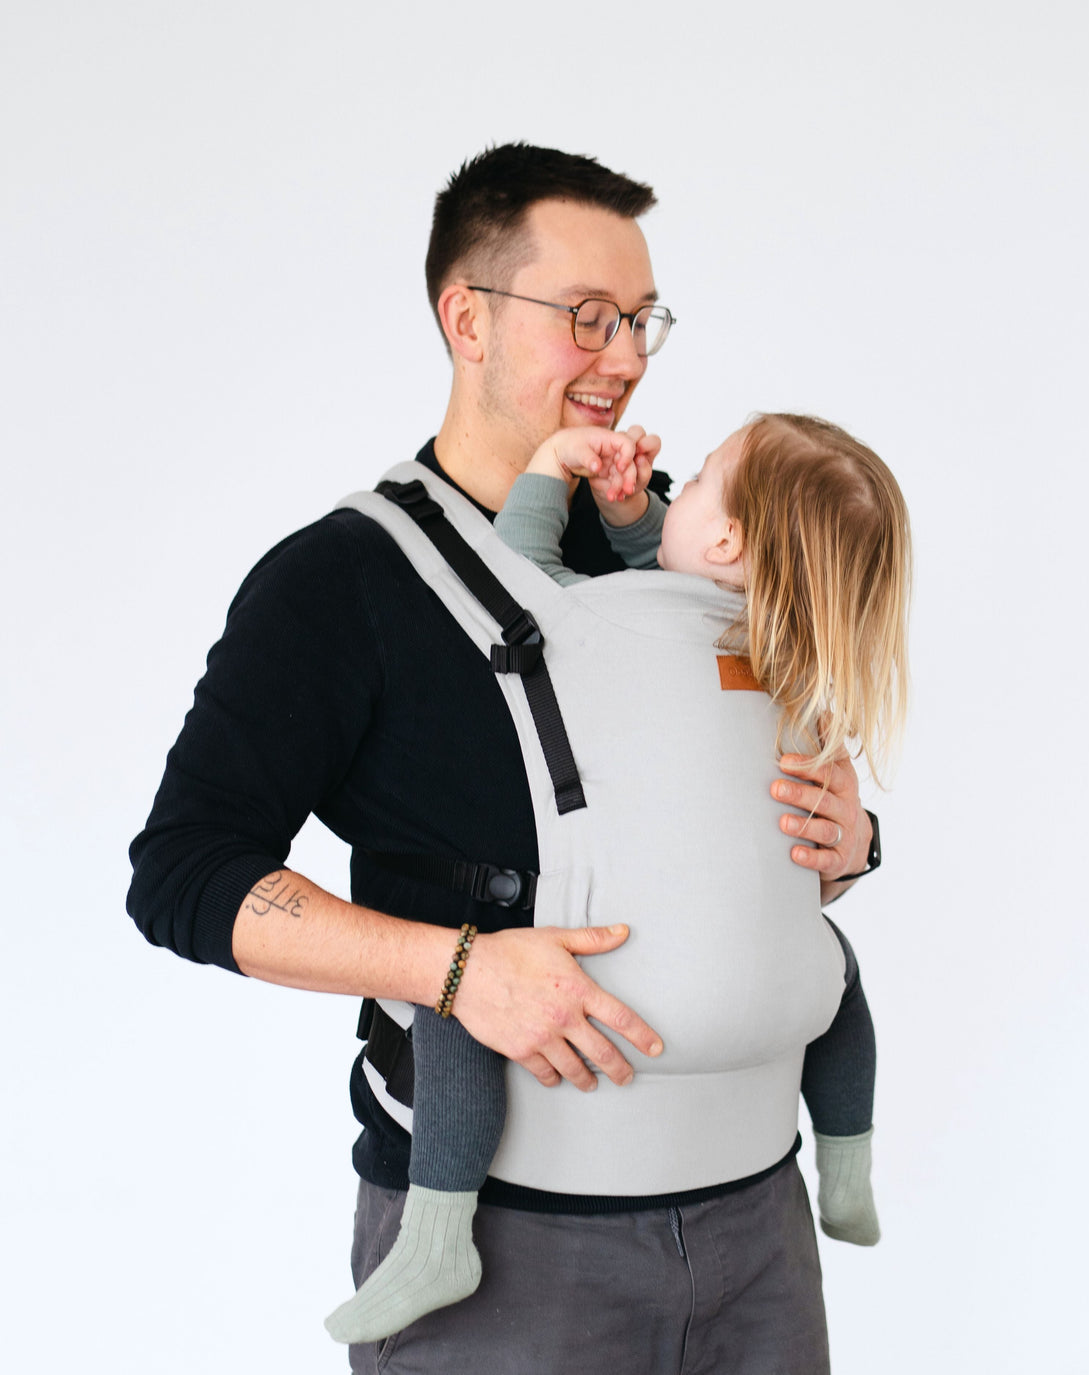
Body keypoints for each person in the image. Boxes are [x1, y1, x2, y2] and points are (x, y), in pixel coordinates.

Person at [127, 143, 879, 1375]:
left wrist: (845, 839)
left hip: (757, 1222)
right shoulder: (343, 583)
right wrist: (454, 968)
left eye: (640, 319)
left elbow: (737, 811)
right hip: (512, 1255)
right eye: (586, 315)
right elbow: (183, 876)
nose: (624, 356)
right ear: (466, 318)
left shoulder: (684, 539)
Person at [323, 414, 906, 1346]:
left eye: (700, 478)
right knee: (840, 974)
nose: (676, 487)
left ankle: (438, 1230)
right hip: (782, 1004)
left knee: (455, 986)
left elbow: (524, 574)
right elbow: (687, 577)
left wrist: (551, 472)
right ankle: (847, 1166)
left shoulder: (596, 624)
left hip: (616, 990)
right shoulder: (791, 654)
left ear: (726, 540)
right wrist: (637, 517)